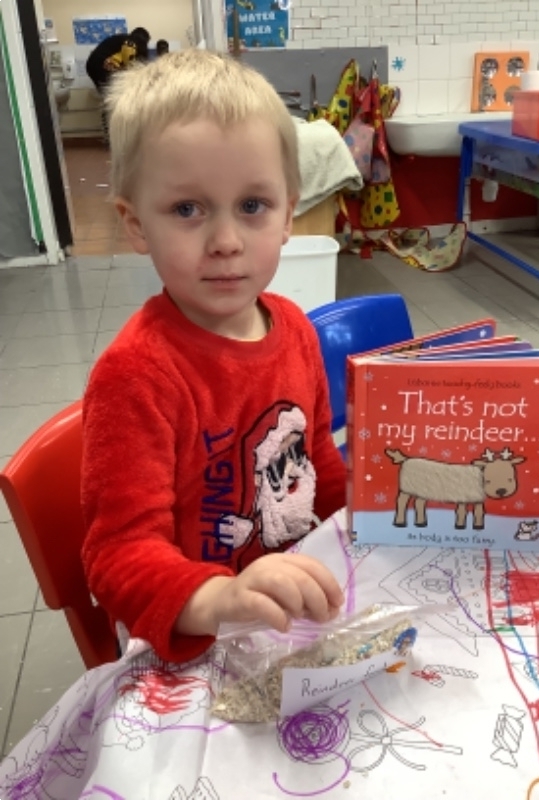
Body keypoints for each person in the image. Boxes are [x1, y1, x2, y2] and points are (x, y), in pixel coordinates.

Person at [81, 49, 347, 665]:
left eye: (252, 206)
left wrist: (369, 505)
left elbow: (318, 464)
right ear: (136, 224)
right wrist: (220, 596)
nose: (226, 242)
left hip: (289, 613)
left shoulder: (296, 330)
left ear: (288, 214)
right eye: (187, 210)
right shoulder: (135, 376)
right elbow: (117, 556)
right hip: (192, 631)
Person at [85, 26, 150, 145]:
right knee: (114, 102)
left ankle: (110, 136)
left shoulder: (121, 39)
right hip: (100, 68)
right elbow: (131, 65)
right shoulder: (131, 43)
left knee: (109, 101)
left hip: (93, 66)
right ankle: (115, 138)